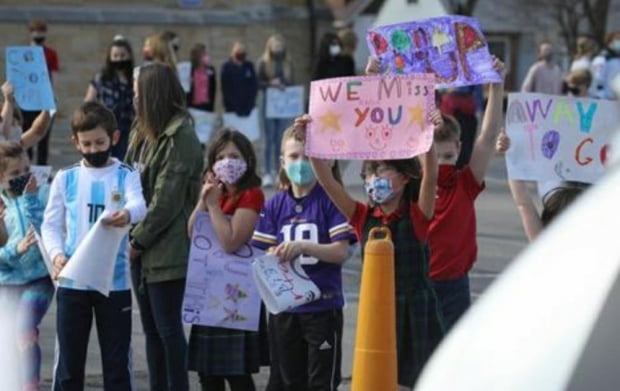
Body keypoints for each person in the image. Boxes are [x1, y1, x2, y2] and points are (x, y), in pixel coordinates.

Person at [305, 56, 446, 385]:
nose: (374, 179)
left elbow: (431, 174)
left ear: (403, 176)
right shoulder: (362, 216)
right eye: (369, 173)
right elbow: (327, 181)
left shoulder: (417, 213)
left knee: (418, 378)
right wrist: (313, 142)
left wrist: (425, 132)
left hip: (416, 309)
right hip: (378, 311)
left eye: (382, 170)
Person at [41, 102, 147, 391]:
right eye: (85, 144)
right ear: (75, 142)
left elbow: (139, 205)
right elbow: (50, 225)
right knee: (68, 364)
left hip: (115, 283)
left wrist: (127, 214)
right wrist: (56, 254)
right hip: (73, 283)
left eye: (99, 142)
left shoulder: (126, 174)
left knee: (116, 363)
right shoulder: (65, 178)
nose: (93, 149)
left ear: (113, 138)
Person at [251, 126, 356, 391]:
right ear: (282, 162)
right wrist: (276, 254)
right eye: (294, 156)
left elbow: (340, 251)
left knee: (320, 382)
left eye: (308, 156)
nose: (301, 163)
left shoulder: (331, 201)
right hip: (286, 309)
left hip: (322, 308)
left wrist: (304, 247)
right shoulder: (274, 205)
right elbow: (263, 252)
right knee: (288, 381)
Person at [125, 63, 203, 391]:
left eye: (138, 92)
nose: (133, 98)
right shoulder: (142, 131)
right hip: (140, 244)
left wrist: (138, 241)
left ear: (152, 94)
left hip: (165, 247)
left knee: (168, 330)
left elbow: (166, 200)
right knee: (151, 330)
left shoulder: (180, 136)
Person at [428, 57, 506, 332]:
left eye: (448, 155)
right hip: (418, 282)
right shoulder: (413, 184)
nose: (442, 163)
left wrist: (496, 86)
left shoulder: (466, 182)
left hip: (455, 284)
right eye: (434, 157)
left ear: (459, 149)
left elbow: (487, 137)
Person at [187, 128, 265, 391]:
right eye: (221, 156)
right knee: (207, 374)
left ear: (247, 160)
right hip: (209, 292)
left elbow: (232, 241)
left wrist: (213, 207)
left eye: (234, 155)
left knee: (237, 373)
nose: (227, 162)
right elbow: (193, 233)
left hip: (237, 295)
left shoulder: (251, 194)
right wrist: (204, 199)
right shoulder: (214, 193)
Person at [0, 142, 54, 391]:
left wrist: (31, 199)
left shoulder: (40, 193)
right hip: (8, 280)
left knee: (24, 328)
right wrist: (15, 249)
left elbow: (44, 230)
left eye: (26, 169)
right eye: (14, 174)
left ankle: (31, 386)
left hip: (39, 277)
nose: (23, 177)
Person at [496, 132, 587, 241]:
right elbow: (523, 204)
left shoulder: (543, 244)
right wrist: (509, 154)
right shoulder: (599, 247)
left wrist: (510, 154)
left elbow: (524, 204)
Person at [84, 36, 135, 160]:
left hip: (129, 128)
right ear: (110, 57)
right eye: (115, 56)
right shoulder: (101, 78)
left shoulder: (134, 78)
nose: (119, 59)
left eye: (123, 55)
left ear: (129, 56)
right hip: (106, 126)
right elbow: (88, 102)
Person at [257, 34, 294, 187]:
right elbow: (258, 82)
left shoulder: (288, 63)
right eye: (275, 46)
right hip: (269, 104)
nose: (278, 49)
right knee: (269, 138)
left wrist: (284, 84)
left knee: (281, 138)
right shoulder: (263, 63)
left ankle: (280, 170)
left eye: (280, 46)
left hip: (283, 105)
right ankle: (267, 171)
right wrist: (271, 83)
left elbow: (292, 81)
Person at [25, 19, 59, 165]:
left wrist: (54, 96)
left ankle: (41, 169)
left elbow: (54, 76)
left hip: (45, 98)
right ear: (31, 33)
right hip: (28, 99)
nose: (38, 34)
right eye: (35, 32)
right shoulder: (24, 54)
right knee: (27, 133)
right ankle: (26, 166)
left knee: (43, 137)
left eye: (41, 32)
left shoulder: (50, 53)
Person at [438, 85, 484, 167]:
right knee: (451, 139)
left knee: (467, 142)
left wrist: (479, 108)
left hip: (468, 110)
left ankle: (464, 165)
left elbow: (478, 88)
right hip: (450, 109)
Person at [1, 81, 51, 148]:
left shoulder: (16, 146)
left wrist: (47, 110)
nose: (15, 125)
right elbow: (4, 133)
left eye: (16, 123)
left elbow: (37, 132)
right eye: (12, 122)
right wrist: (9, 100)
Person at [221, 42, 258, 115]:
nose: (240, 53)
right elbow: (226, 88)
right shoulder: (226, 67)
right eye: (238, 51)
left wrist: (250, 105)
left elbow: (253, 86)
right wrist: (235, 107)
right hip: (232, 108)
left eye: (242, 51)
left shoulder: (249, 66)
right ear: (232, 52)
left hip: (248, 108)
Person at [187, 43, 216, 113]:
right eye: (204, 54)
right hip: (193, 106)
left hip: (207, 106)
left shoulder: (211, 70)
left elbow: (213, 88)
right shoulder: (189, 69)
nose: (206, 56)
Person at [591, 31, 620, 100]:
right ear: (610, 42)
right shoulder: (602, 58)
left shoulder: (617, 58)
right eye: (618, 39)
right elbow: (598, 79)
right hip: (605, 99)